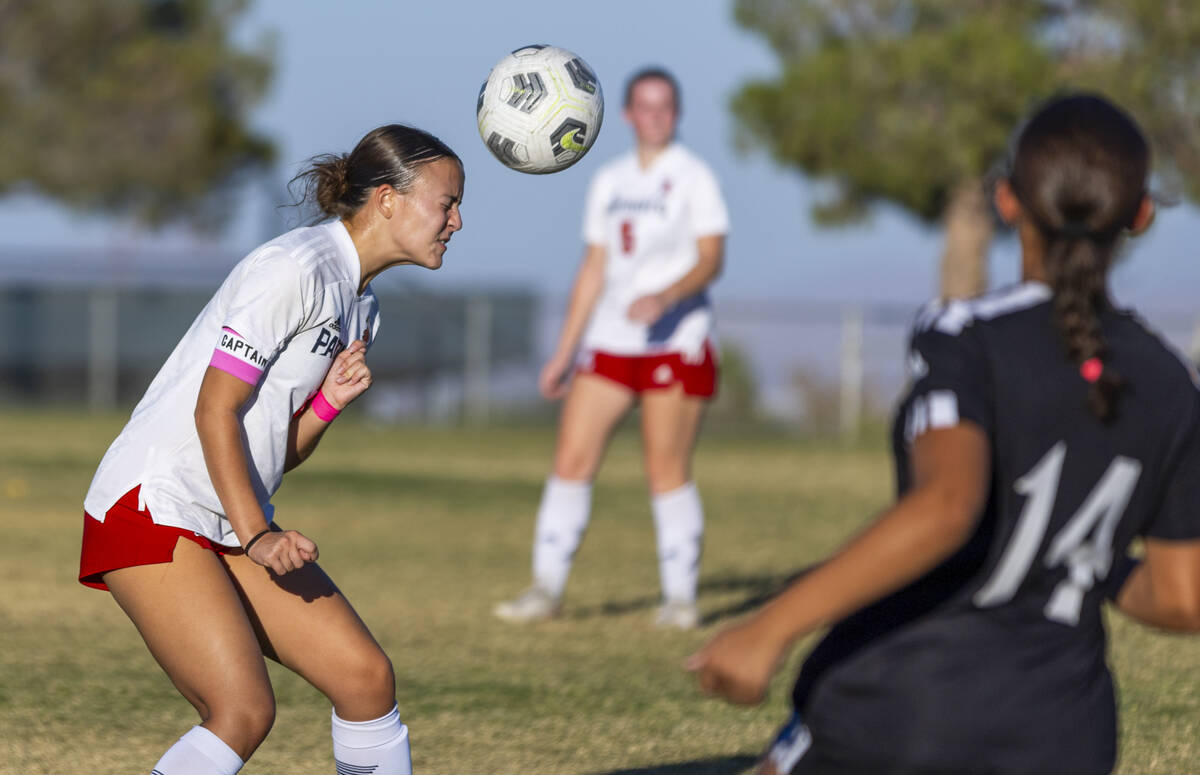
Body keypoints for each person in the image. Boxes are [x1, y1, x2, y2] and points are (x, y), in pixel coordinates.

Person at [686, 93, 1200, 775]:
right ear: (1140, 215)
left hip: (905, 706)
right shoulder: (1175, 382)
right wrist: (1086, 559)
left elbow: (945, 507)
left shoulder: (965, 333)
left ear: (1008, 200)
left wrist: (767, 627)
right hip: (1064, 736)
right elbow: (1180, 597)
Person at [78, 124, 464, 775]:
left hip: (227, 516)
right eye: (446, 201)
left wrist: (325, 406)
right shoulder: (297, 268)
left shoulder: (359, 307)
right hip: (152, 505)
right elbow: (214, 409)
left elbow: (275, 450)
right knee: (242, 710)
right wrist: (258, 534)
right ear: (388, 200)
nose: (457, 220)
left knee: (366, 679)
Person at [493, 67, 730, 630]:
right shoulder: (608, 180)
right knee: (571, 460)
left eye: (665, 107)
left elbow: (712, 258)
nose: (655, 116)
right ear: (625, 114)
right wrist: (564, 352)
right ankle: (545, 589)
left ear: (676, 114)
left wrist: (667, 295)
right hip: (611, 341)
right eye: (645, 106)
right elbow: (594, 268)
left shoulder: (693, 177)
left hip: (677, 342)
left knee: (664, 468)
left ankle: (679, 600)